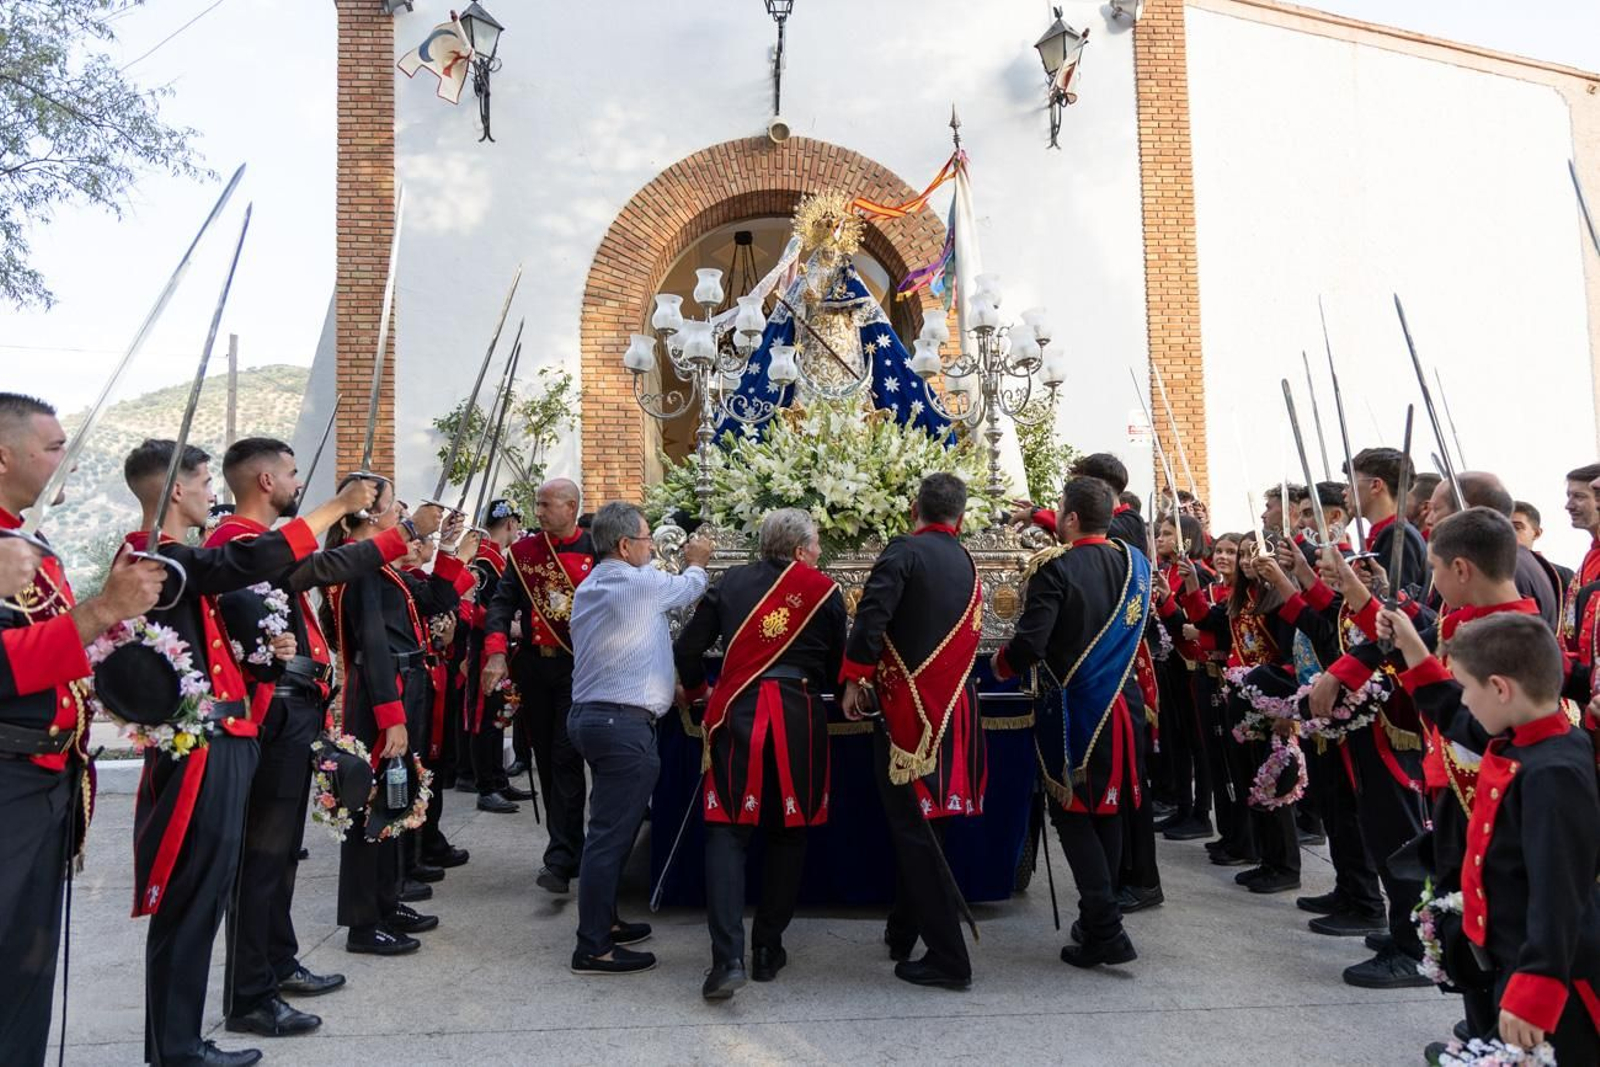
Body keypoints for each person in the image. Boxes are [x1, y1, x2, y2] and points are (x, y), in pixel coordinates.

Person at [121, 439, 375, 1067]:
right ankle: (178, 1047)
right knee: (196, 897)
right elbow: (243, 562)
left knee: (206, 894)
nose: (213, 493)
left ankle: (181, 1042)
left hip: (228, 738)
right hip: (202, 746)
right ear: (176, 491)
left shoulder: (180, 556)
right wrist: (331, 509)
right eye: (205, 482)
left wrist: (266, 656)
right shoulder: (160, 557)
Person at [209, 437, 422, 1039]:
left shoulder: (262, 549)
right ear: (265, 481)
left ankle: (276, 960)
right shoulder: (238, 543)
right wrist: (348, 506)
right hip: (274, 708)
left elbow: (321, 566)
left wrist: (394, 537)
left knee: (279, 855)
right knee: (265, 857)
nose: (299, 482)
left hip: (295, 707)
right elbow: (316, 561)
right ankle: (251, 993)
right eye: (293, 473)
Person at [0, 395, 167, 1066]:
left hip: (44, 778)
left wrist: (109, 621)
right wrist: (100, 609)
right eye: (53, 446)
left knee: (27, 960)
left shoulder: (26, 542)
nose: (64, 457)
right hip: (8, 779)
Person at [1379, 611, 1599, 1061]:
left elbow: (1558, 891)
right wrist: (1410, 648)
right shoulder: (1529, 735)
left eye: (1469, 691)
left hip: (1554, 976)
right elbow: (1455, 716)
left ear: (1499, 688)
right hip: (1512, 957)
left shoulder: (1553, 772)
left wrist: (1536, 986)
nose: (1464, 704)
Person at [674, 508, 846, 999]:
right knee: (789, 834)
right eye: (814, 548)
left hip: (736, 713)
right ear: (798, 551)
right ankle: (768, 949)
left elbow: (688, 649)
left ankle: (727, 960)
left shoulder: (728, 583)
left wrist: (697, 692)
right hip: (798, 716)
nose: (817, 556)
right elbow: (838, 668)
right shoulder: (823, 592)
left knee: (727, 833)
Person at [992, 476, 1151, 968]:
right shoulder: (1136, 564)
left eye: (1060, 510)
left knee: (1075, 815)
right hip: (1125, 705)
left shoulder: (1054, 568)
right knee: (1108, 810)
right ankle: (1095, 919)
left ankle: (1105, 928)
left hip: (1076, 711)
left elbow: (1031, 643)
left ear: (1072, 518)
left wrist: (1002, 665)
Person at [841, 473, 986, 990]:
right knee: (929, 825)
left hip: (912, 711)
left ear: (913, 509)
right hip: (954, 708)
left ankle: (949, 958)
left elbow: (872, 619)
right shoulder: (968, 561)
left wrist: (854, 677)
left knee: (912, 830)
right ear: (961, 517)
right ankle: (903, 931)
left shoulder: (903, 551)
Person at [325, 483, 470, 960]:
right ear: (358, 519)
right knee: (368, 810)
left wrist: (447, 547)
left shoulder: (380, 566)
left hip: (402, 690)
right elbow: (373, 645)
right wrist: (391, 718)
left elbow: (431, 601)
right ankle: (364, 923)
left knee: (393, 801)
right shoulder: (361, 566)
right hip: (379, 698)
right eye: (393, 510)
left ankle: (386, 902)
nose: (402, 518)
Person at [565, 502, 711, 975]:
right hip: (620, 727)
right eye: (648, 540)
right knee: (610, 837)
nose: (652, 547)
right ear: (625, 546)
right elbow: (690, 588)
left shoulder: (596, 583)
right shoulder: (636, 583)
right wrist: (698, 558)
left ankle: (604, 922)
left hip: (595, 718)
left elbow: (639, 644)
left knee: (607, 830)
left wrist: (667, 682)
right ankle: (592, 946)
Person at [481, 478, 593, 892]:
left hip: (576, 668)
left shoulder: (594, 550)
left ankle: (560, 860)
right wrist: (495, 651)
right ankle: (565, 847)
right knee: (546, 758)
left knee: (566, 756)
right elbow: (502, 602)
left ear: (570, 507)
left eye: (546, 504)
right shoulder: (525, 553)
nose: (539, 511)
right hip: (534, 668)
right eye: (538, 504)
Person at [461, 499, 531, 813]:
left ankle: (498, 780)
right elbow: (472, 609)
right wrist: (509, 624)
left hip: (501, 646)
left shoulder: (496, 558)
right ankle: (485, 786)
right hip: (483, 648)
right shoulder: (483, 559)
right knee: (483, 717)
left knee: (499, 715)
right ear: (511, 524)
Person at [1425, 472, 1560, 627]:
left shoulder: (1493, 567)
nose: (1429, 520)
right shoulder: (1510, 558)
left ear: (1468, 513)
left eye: (1436, 509)